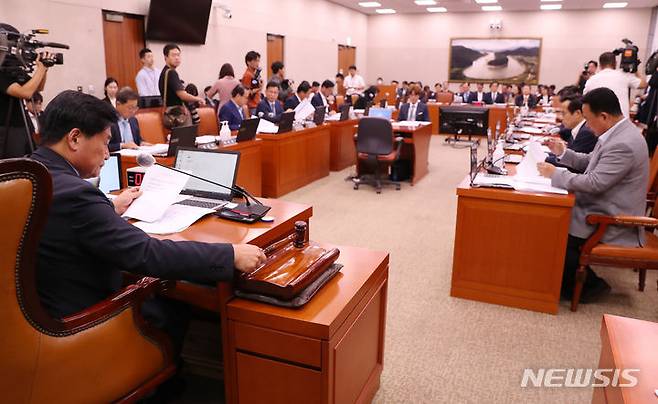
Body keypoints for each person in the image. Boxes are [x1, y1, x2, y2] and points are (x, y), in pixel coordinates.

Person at [29, 90, 265, 358]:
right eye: (105, 142)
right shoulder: (77, 195)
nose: (107, 155)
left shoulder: (31, 174)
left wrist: (107, 207)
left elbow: (67, 223)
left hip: (39, 311)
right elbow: (146, 253)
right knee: (171, 307)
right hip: (78, 321)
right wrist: (229, 253)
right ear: (74, 138)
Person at [537, 88, 649, 302]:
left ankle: (590, 286)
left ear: (604, 116)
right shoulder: (616, 132)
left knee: (555, 226)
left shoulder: (623, 143)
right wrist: (563, 153)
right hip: (603, 203)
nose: (587, 126)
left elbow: (595, 182)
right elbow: (591, 162)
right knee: (553, 218)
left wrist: (556, 174)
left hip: (613, 217)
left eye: (588, 120)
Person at [0, 25, 49, 159]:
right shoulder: (2, 74)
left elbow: (38, 88)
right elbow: (25, 93)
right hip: (6, 129)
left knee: (31, 161)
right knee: (15, 167)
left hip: (22, 125)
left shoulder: (14, 71)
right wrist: (40, 69)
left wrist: (44, 68)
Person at [584, 52, 647, 118]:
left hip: (600, 123)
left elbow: (585, 102)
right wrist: (635, 68)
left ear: (600, 65)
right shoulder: (624, 75)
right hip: (622, 121)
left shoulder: (591, 80)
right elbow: (644, 84)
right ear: (615, 63)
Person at [544, 95, 597, 171]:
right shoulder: (577, 128)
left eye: (564, 113)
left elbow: (571, 164)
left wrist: (543, 158)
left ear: (577, 113)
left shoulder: (586, 132)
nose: (561, 118)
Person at [158, 44, 206, 109]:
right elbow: (182, 95)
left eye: (178, 55)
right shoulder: (171, 73)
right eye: (173, 55)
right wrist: (198, 99)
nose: (177, 58)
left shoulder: (165, 71)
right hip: (176, 114)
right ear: (166, 57)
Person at [241, 50, 263, 116]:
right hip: (252, 106)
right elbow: (247, 93)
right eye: (255, 61)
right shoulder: (248, 75)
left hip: (256, 104)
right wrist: (260, 88)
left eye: (258, 61)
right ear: (248, 62)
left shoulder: (254, 74)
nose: (257, 63)